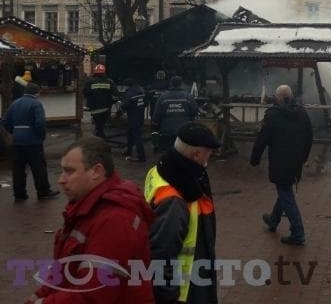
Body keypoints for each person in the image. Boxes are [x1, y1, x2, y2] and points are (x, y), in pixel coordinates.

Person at [24, 138, 154, 303]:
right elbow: (64, 270)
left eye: (69, 171)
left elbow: (94, 293)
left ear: (96, 172)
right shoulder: (85, 210)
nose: (61, 179)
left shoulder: (115, 219)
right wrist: (39, 295)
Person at [144, 123, 220, 303]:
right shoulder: (175, 200)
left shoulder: (164, 169)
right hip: (186, 289)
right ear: (197, 154)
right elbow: (161, 254)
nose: (210, 157)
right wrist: (168, 296)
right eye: (209, 152)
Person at [250, 84, 313, 246]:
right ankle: (273, 219)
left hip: (279, 161)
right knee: (285, 190)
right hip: (295, 162)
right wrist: (303, 157)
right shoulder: (302, 113)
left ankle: (298, 233)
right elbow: (309, 137)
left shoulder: (272, 115)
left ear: (277, 98)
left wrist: (255, 158)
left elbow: (262, 138)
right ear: (291, 97)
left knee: (286, 194)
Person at [3, 82, 60, 202]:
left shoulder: (15, 103)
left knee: (18, 168)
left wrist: (14, 132)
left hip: (17, 141)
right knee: (38, 167)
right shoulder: (36, 104)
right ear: (37, 93)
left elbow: (6, 122)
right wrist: (41, 136)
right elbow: (40, 123)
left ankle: (19, 194)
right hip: (33, 141)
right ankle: (43, 191)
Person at [152, 75, 198, 152]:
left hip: (167, 130)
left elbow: (157, 114)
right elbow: (194, 111)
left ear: (171, 84)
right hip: (184, 130)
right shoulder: (188, 96)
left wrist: (156, 123)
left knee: (168, 152)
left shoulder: (163, 97)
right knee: (182, 152)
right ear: (181, 84)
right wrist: (190, 121)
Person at [83, 63, 116, 139]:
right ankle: (101, 137)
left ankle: (99, 138)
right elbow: (115, 93)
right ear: (104, 72)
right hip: (106, 107)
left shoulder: (90, 81)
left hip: (94, 107)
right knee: (102, 124)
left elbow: (85, 92)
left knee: (98, 124)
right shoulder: (109, 81)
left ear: (95, 72)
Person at [122, 78, 147, 162]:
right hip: (140, 116)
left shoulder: (130, 92)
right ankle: (128, 151)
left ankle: (141, 157)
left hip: (133, 117)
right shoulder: (141, 90)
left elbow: (125, 105)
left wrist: (120, 106)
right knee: (129, 134)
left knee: (137, 137)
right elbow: (146, 103)